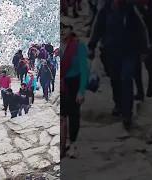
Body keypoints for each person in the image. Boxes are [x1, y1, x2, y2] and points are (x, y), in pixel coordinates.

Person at [88, 0, 150, 129]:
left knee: (126, 78)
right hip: (111, 51)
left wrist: (144, 49)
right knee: (115, 78)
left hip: (129, 52)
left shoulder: (131, 9)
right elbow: (98, 27)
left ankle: (127, 113)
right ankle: (118, 104)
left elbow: (141, 29)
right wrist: (92, 46)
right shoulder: (106, 9)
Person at [60, 16, 89, 158]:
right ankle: (61, 145)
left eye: (65, 28)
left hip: (73, 83)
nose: (62, 31)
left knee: (73, 114)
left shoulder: (78, 46)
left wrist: (81, 91)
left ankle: (72, 143)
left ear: (71, 30)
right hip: (60, 84)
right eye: (59, 28)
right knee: (61, 116)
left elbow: (84, 69)